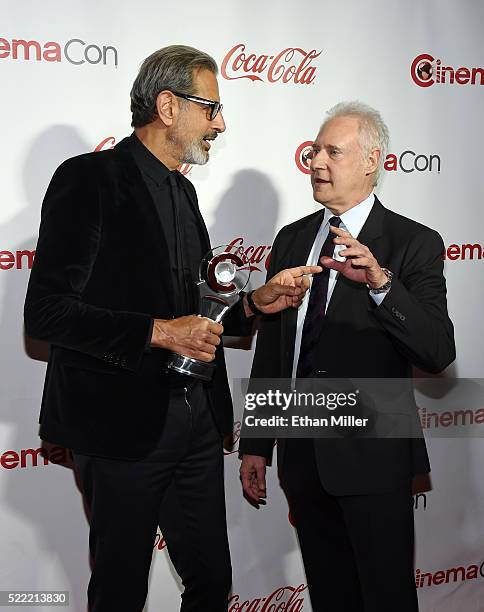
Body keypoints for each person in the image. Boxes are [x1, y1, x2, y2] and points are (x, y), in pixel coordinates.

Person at [24, 45, 320, 612]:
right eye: (211, 108)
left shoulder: (183, 192)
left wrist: (257, 301)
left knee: (211, 584)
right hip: (119, 426)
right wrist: (159, 332)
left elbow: (198, 313)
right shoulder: (90, 179)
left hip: (195, 425)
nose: (221, 123)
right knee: (120, 589)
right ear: (167, 106)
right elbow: (46, 313)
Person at [239, 101, 455, 612]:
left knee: (385, 596)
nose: (317, 161)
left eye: (333, 151)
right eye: (315, 150)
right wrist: (258, 443)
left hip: (374, 458)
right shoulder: (292, 238)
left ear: (370, 161)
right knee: (331, 595)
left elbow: (438, 350)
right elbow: (276, 346)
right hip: (303, 454)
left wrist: (382, 284)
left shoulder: (413, 242)